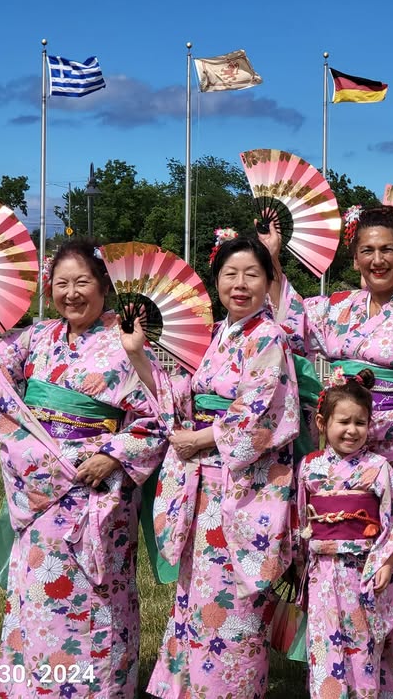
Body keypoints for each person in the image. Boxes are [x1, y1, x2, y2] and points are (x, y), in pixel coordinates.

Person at [264, 205, 393, 699]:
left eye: (387, 250)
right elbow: (290, 323)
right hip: (344, 462)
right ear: (354, 257)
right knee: (347, 578)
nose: (377, 260)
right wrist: (273, 261)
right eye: (367, 251)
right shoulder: (336, 308)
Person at [0, 239, 167, 698]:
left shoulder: (126, 343)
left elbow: (160, 417)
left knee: (96, 604)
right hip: (40, 496)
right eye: (61, 283)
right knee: (39, 601)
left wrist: (115, 454)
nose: (71, 293)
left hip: (98, 497)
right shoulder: (37, 338)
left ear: (104, 285)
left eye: (82, 281)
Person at [137, 235, 301, 699]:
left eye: (253, 274)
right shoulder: (220, 335)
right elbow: (184, 396)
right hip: (205, 487)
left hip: (243, 490)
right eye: (230, 274)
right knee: (198, 597)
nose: (241, 283)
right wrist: (136, 353)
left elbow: (263, 411)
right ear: (216, 281)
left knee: (232, 604)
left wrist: (203, 437)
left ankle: (228, 690)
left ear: (269, 281)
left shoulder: (268, 336)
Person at [297, 368, 393, 698]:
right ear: (323, 424)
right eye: (343, 422)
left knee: (362, 647)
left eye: (360, 423)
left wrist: (386, 561)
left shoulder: (378, 467)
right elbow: (302, 519)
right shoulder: (309, 467)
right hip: (323, 572)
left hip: (361, 570)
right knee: (323, 647)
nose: (352, 431)